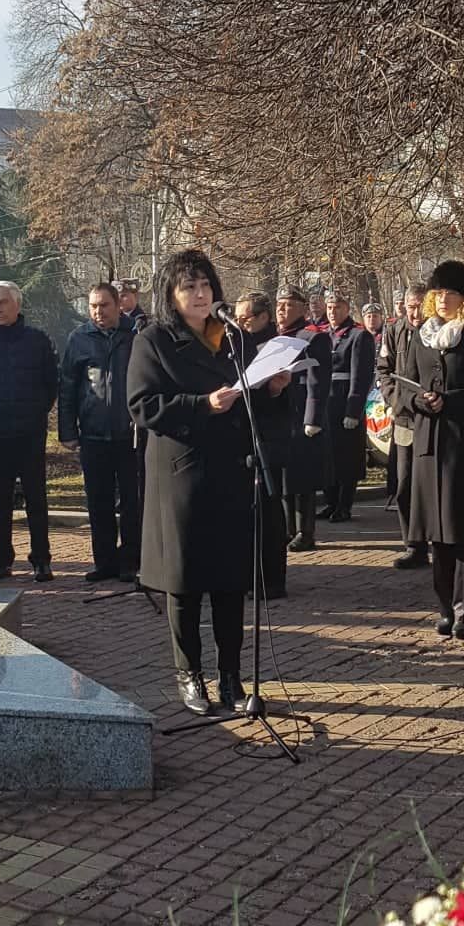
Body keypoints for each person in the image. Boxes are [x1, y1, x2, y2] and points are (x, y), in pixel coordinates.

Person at [129, 249, 289, 714]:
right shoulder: (154, 341)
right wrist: (202, 405)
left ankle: (231, 676)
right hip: (183, 474)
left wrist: (273, 389)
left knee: (229, 579)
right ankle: (190, 674)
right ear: (171, 295)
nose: (201, 295)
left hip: (232, 471)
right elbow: (142, 405)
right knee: (185, 581)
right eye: (190, 288)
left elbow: (253, 401)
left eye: (206, 286)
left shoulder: (233, 338)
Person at [407, 261, 464, 638]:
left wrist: (453, 400)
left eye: (451, 293)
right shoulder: (422, 336)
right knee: (437, 535)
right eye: (438, 293)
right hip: (429, 444)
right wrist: (418, 401)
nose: (443, 299)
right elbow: (405, 384)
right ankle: (444, 606)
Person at [0, 280, 59, 583]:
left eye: (2, 302)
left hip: (29, 431)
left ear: (17, 304)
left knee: (36, 497)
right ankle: (2, 559)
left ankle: (41, 559)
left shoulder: (37, 341)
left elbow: (50, 383)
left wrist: (36, 411)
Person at [59, 282, 139, 583]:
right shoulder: (79, 338)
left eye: (104, 305)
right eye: (93, 306)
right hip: (93, 433)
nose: (98, 312)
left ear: (118, 305)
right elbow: (68, 386)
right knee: (98, 502)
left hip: (129, 434)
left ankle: (131, 561)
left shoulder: (135, 335)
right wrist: (68, 430)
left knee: (132, 502)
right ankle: (104, 562)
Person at [235, 291, 290, 598]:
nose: (239, 323)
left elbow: (286, 400)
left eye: (245, 318)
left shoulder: (277, 346)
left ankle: (271, 579)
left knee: (268, 510)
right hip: (240, 434)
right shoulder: (236, 343)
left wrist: (276, 390)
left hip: (268, 436)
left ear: (264, 317)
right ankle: (247, 574)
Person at [273, 283, 331, 552]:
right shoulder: (276, 336)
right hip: (280, 413)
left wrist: (313, 417)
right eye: (279, 305)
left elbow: (318, 380)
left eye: (288, 305)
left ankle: (305, 532)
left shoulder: (312, 337)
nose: (282, 310)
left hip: (301, 413)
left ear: (302, 309)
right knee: (286, 476)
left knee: (304, 477)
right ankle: (287, 529)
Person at [383, 282, 430, 565]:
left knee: (430, 486)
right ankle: (413, 545)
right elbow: (384, 370)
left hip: (432, 418)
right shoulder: (395, 331)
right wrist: (395, 400)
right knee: (405, 484)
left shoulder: (439, 331)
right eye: (411, 307)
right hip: (404, 419)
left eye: (421, 307)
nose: (416, 313)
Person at [321, 286, 377, 520]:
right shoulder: (324, 334)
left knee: (347, 456)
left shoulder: (358, 335)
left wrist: (353, 410)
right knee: (328, 455)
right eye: (329, 307)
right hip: (326, 403)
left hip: (345, 402)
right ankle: (331, 502)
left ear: (347, 309)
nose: (332, 312)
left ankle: (344, 504)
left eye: (337, 308)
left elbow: (360, 376)